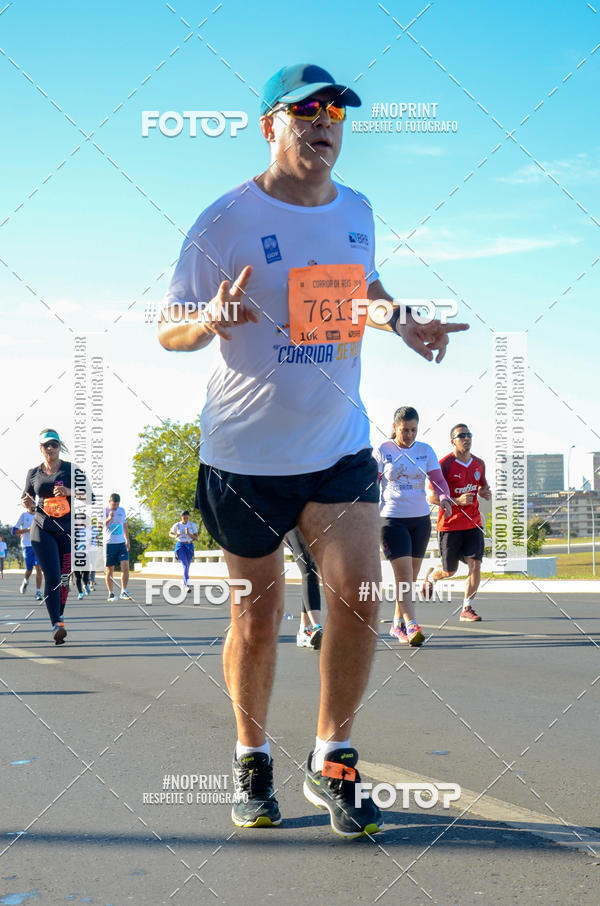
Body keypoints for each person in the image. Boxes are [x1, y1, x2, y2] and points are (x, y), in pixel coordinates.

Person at [159, 62, 468, 837]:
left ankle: (333, 758)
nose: (324, 124)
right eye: (306, 113)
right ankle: (251, 757)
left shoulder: (357, 208)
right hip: (244, 458)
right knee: (257, 621)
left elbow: (365, 287)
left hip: (337, 448)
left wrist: (404, 321)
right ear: (271, 126)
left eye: (335, 113)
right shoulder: (223, 219)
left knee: (359, 599)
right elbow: (168, 329)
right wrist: (207, 322)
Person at [375, 406, 452, 647]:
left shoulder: (425, 450)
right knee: (404, 576)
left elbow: (438, 480)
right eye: (404, 430)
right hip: (391, 519)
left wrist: (444, 498)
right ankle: (412, 624)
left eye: (413, 430)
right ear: (395, 427)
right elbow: (370, 482)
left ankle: (397, 624)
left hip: (420, 520)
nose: (409, 435)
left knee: (411, 577)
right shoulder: (383, 450)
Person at [425, 423, 492, 621]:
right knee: (449, 571)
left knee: (475, 565)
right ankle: (432, 576)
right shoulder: (444, 464)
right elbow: (432, 498)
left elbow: (483, 486)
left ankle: (467, 608)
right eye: (461, 436)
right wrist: (457, 501)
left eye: (468, 435)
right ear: (452, 441)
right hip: (450, 525)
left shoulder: (479, 464)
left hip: (473, 523)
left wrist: (484, 492)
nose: (466, 438)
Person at [21, 429, 75, 644]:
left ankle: (59, 614)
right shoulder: (33, 473)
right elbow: (27, 501)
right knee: (52, 576)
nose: (50, 448)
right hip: (42, 527)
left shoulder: (71, 469)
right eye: (46, 445)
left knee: (64, 578)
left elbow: (90, 495)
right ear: (40, 448)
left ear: (59, 446)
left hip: (66, 530)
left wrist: (69, 492)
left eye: (54, 444)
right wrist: (28, 504)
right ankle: (57, 623)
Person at [285, 528, 323, 650]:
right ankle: (316, 626)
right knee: (309, 570)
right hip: (293, 524)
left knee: (311, 571)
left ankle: (305, 630)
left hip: (309, 523)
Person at [13, 502, 43, 599]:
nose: (33, 506)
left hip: (38, 545)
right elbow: (14, 531)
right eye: (31, 505)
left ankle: (38, 592)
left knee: (39, 569)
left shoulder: (40, 516)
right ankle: (25, 581)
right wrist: (27, 530)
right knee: (29, 570)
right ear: (27, 506)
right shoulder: (23, 515)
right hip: (27, 546)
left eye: (34, 504)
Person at [104, 493, 131, 601]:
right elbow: (99, 526)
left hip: (121, 544)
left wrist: (127, 540)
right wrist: (109, 518)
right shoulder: (104, 511)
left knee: (125, 566)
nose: (115, 507)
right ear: (109, 502)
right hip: (109, 544)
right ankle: (110, 593)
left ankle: (123, 591)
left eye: (117, 504)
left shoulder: (122, 510)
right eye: (114, 504)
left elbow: (124, 525)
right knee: (109, 570)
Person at [169, 510, 198, 591]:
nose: (185, 519)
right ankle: (187, 585)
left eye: (187, 518)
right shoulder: (177, 525)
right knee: (185, 565)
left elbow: (196, 537)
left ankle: (184, 581)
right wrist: (175, 535)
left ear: (189, 517)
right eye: (184, 518)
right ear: (181, 517)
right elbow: (170, 533)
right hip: (180, 545)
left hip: (189, 545)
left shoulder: (192, 525)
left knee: (187, 566)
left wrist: (188, 533)